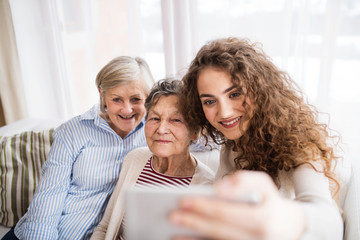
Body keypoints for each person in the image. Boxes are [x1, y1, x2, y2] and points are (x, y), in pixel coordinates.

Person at [170, 37, 344, 239]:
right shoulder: (231, 145)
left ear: (260, 91)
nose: (224, 113)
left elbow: (329, 221)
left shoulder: (299, 143)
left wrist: (284, 217)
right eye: (209, 101)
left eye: (234, 94)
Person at [7, 56, 155, 240]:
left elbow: (195, 136)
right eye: (117, 99)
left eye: (135, 99)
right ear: (102, 95)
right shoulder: (72, 132)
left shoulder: (155, 132)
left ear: (148, 98)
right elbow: (50, 195)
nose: (127, 110)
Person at [91, 79, 214, 240]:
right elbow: (105, 226)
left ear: (195, 132)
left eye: (176, 120)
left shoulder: (206, 186)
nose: (161, 129)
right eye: (155, 118)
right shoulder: (135, 159)